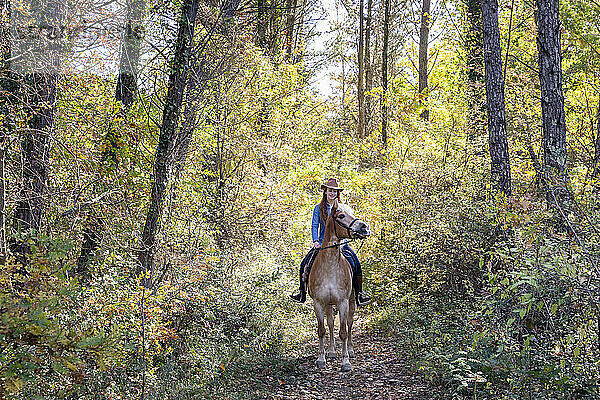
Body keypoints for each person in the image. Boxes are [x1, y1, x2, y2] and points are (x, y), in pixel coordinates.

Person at [290, 178, 372, 306]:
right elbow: (314, 225)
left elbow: (350, 224)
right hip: (323, 244)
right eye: (330, 191)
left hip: (341, 243)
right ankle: (301, 292)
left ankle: (360, 294)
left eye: (335, 191)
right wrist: (316, 240)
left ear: (338, 193)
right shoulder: (318, 208)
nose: (332, 193)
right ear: (325, 192)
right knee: (304, 263)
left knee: (356, 263)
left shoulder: (344, 208)